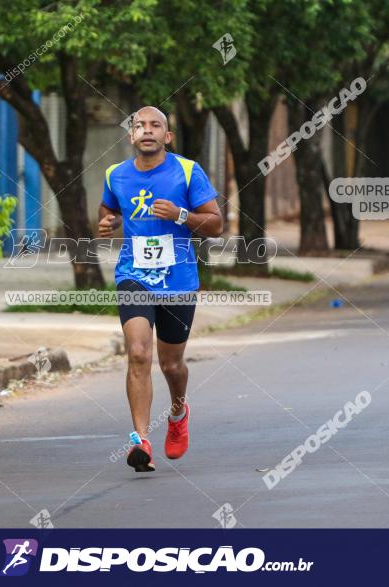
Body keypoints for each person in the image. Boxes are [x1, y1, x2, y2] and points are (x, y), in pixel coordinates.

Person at [98, 106, 223, 472]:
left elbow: (215, 225)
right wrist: (107, 224)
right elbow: (107, 212)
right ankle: (141, 440)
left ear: (167, 136)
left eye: (155, 126)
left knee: (170, 364)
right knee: (138, 352)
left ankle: (178, 410)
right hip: (133, 274)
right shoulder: (115, 175)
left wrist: (181, 215)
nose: (147, 131)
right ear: (131, 136)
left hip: (179, 279)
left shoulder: (187, 171)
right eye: (140, 126)